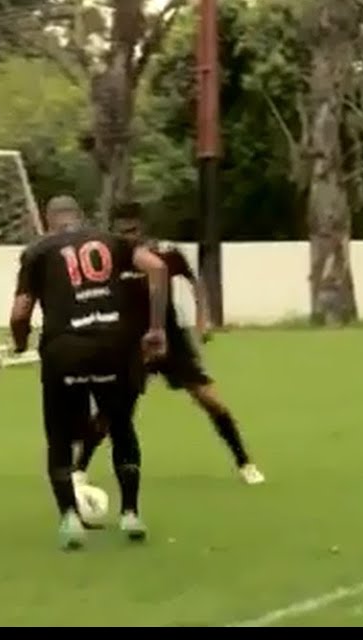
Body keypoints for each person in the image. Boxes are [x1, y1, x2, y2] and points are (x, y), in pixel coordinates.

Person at [10, 195, 170, 550]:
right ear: (80, 217)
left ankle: (70, 518)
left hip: (65, 349)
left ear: (49, 221)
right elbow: (157, 268)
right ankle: (130, 513)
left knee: (59, 435)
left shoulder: (38, 251)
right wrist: (156, 327)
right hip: (115, 346)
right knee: (121, 426)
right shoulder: (112, 241)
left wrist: (19, 343)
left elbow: (21, 312)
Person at [74, 202, 265, 485]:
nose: (129, 236)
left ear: (142, 228)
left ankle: (245, 463)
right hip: (129, 344)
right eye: (122, 231)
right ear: (112, 231)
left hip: (170, 338)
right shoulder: (105, 261)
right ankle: (79, 470)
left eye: (133, 230)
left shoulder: (165, 252)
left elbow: (194, 282)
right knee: (110, 410)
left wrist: (202, 320)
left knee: (209, 399)